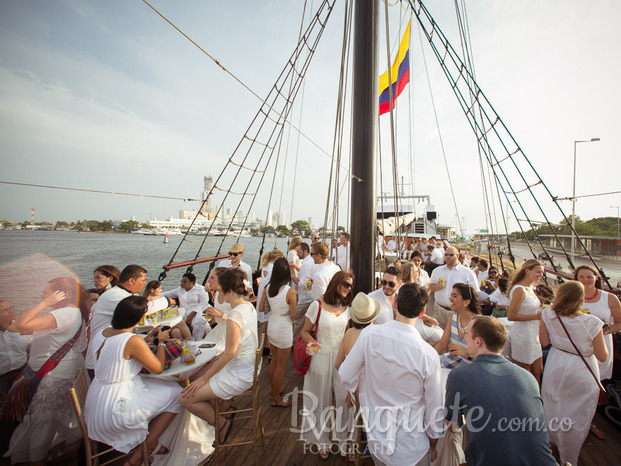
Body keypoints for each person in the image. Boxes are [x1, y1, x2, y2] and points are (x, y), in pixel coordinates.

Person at [339, 283, 445, 465]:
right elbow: (434, 409)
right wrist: (433, 443)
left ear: (395, 304)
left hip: (376, 440)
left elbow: (346, 374)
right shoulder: (428, 355)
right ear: (422, 313)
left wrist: (366, 393)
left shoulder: (369, 335)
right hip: (412, 446)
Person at [445, 317, 557, 466]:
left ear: (478, 342)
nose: (464, 337)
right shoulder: (528, 377)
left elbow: (452, 425)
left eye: (467, 334)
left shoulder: (459, 376)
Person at [84, 296, 182, 465]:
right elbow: (157, 368)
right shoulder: (132, 340)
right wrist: (162, 343)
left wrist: (148, 338)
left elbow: (122, 351)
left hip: (95, 403)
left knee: (165, 388)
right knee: (177, 394)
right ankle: (139, 456)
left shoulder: (103, 333)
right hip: (116, 407)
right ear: (138, 318)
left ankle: (150, 444)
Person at [5, 277, 89, 464]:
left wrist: (44, 304)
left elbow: (19, 325)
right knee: (64, 417)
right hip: (65, 371)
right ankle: (69, 452)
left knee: (43, 422)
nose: (42, 295)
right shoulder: (74, 312)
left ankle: (38, 459)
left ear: (63, 295)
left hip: (53, 376)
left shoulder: (64, 314)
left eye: (46, 292)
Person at [180, 268, 259, 445]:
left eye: (221, 290)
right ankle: (223, 410)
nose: (219, 294)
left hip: (239, 373)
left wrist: (204, 380)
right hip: (250, 367)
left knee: (185, 397)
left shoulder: (234, 316)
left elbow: (230, 353)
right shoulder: (249, 307)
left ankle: (220, 423)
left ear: (230, 292)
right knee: (196, 379)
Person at [540, 281, 608, 466]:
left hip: (556, 363)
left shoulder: (547, 314)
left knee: (553, 407)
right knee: (577, 414)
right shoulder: (593, 323)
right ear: (581, 299)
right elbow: (602, 356)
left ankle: (550, 448)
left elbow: (544, 341)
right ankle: (569, 458)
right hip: (581, 368)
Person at [300, 271, 354, 460]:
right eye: (346, 284)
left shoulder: (347, 307)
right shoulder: (317, 305)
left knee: (343, 400)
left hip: (341, 358)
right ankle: (322, 441)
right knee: (320, 399)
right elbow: (305, 331)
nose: (348, 289)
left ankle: (343, 440)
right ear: (336, 283)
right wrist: (311, 342)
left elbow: (348, 334)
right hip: (321, 356)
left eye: (350, 286)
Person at [87, 264, 172, 374]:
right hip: (103, 361)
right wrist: (167, 301)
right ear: (131, 280)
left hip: (113, 352)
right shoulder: (115, 295)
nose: (145, 283)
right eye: (143, 280)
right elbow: (145, 308)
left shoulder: (122, 294)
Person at [574, 264, 621, 440]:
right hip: (578, 349)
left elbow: (619, 323)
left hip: (602, 348)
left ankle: (589, 422)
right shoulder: (573, 298)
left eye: (589, 276)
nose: (585, 280)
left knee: (593, 387)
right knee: (579, 386)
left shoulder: (609, 298)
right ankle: (575, 421)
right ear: (576, 279)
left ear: (596, 278)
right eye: (581, 277)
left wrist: (602, 330)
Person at [259, 257, 296, 407]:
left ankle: (274, 389)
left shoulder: (268, 288)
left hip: (272, 324)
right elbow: (293, 315)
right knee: (281, 365)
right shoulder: (290, 291)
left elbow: (261, 308)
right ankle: (276, 398)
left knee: (273, 361)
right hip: (283, 327)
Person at [507, 259, 544, 384]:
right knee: (525, 376)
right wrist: (534, 317)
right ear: (527, 270)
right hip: (523, 335)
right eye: (538, 272)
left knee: (538, 371)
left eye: (542, 273)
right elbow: (511, 316)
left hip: (534, 335)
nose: (540, 275)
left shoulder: (530, 287)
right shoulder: (520, 290)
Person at [428, 246, 479, 329]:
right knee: (440, 335)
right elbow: (430, 285)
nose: (448, 257)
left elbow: (475, 293)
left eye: (451, 255)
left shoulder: (468, 273)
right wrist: (436, 287)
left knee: (456, 338)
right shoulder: (437, 271)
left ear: (457, 256)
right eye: (446, 254)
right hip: (440, 310)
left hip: (458, 312)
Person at [436, 284, 481, 368]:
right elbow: (442, 344)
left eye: (455, 296)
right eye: (451, 295)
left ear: (466, 302)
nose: (450, 299)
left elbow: (488, 357)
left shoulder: (479, 323)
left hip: (471, 368)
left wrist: (467, 355)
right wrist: (429, 358)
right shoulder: (454, 316)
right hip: (451, 362)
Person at [162, 272, 210, 340]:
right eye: (181, 281)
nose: (182, 283)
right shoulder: (179, 290)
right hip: (184, 312)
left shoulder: (201, 289)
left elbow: (203, 303)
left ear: (192, 283)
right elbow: (167, 294)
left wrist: (193, 313)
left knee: (199, 321)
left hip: (198, 311)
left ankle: (197, 340)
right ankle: (192, 340)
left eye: (184, 282)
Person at [0, 300, 28, 395]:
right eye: (5, 310)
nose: (11, 311)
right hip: (2, 377)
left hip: (23, 371)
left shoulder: (22, 327)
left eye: (10, 308)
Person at [203, 267, 231, 354]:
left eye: (212, 278)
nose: (208, 280)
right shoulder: (217, 294)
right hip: (219, 331)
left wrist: (221, 315)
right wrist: (212, 313)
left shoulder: (232, 296)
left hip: (231, 333)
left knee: (212, 353)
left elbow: (241, 320)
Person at [291, 241, 314, 339]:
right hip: (310, 297)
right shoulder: (310, 261)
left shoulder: (306, 264)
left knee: (298, 322)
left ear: (305, 251)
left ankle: (295, 343)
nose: (297, 254)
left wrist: (294, 277)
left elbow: (303, 284)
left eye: (298, 252)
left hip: (305, 299)